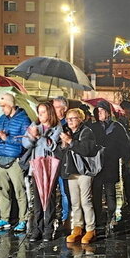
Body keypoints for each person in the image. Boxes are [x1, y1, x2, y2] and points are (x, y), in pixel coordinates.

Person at [23, 101, 62, 242]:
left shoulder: (57, 127)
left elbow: (51, 146)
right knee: (37, 199)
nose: (40, 115)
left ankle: (48, 229)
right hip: (36, 165)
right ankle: (37, 229)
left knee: (49, 198)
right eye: (39, 112)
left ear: (49, 113)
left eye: (43, 112)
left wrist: (40, 137)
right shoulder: (34, 126)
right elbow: (26, 144)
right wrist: (33, 136)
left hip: (50, 166)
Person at [0, 93, 32, 232]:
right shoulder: (1, 118)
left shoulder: (24, 119)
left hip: (15, 160)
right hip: (0, 158)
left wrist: (7, 138)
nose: (2, 109)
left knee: (19, 191)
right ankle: (4, 218)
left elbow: (25, 141)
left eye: (3, 106)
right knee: (3, 191)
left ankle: (23, 219)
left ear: (10, 105)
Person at [90, 101, 130, 232]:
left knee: (110, 193)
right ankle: (97, 218)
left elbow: (125, 144)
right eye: (98, 111)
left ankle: (111, 216)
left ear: (108, 112)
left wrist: (118, 155)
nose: (99, 113)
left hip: (110, 164)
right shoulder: (93, 127)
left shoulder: (117, 127)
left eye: (102, 111)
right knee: (96, 193)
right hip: (96, 165)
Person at [60, 108, 98, 244]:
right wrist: (64, 145)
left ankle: (90, 229)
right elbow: (64, 152)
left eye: (73, 118)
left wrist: (71, 142)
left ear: (80, 119)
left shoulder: (87, 132)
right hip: (72, 170)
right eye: (68, 118)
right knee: (75, 202)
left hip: (84, 171)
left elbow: (86, 150)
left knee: (86, 201)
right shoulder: (69, 132)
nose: (69, 121)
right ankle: (77, 227)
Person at [52, 96, 71, 226]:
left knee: (65, 191)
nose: (54, 109)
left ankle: (66, 216)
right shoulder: (51, 123)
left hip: (63, 162)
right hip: (51, 161)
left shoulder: (67, 124)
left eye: (57, 107)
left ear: (64, 109)